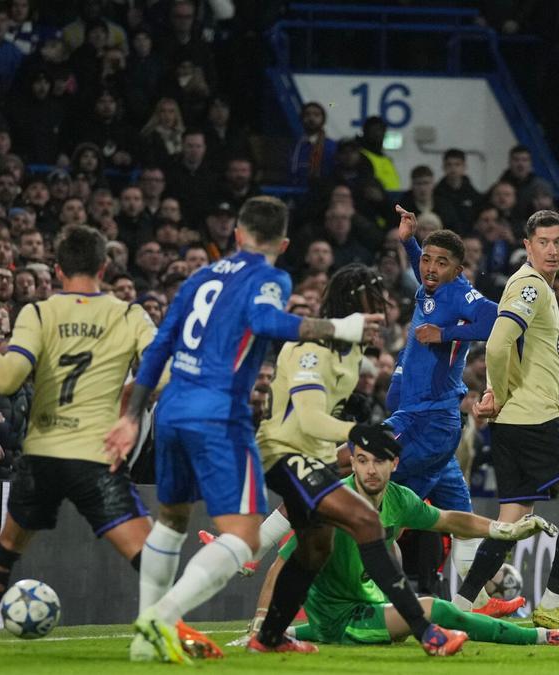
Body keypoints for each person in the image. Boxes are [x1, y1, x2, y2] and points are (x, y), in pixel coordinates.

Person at [102, 197, 383, 664]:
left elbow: (157, 350)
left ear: (236, 236)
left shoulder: (198, 278)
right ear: (284, 243)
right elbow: (266, 322)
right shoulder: (269, 278)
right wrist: (340, 325)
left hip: (171, 410)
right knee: (243, 536)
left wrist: (131, 415)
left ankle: (143, 641)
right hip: (218, 416)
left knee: (170, 524)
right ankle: (163, 617)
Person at [0, 227, 158, 654]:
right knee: (151, 556)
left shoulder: (39, 314)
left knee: (9, 546)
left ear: (58, 269)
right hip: (95, 457)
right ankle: (164, 631)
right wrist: (130, 407)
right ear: (104, 267)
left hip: (42, 455)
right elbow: (165, 375)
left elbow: (7, 380)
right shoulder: (129, 316)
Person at [249, 264, 468, 657]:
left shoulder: (349, 354)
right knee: (366, 521)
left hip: (309, 456)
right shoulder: (313, 349)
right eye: (371, 309)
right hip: (281, 452)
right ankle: (426, 633)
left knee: (316, 547)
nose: (380, 318)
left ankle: (268, 635)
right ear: (348, 310)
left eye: (381, 308)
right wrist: (358, 433)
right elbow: (310, 418)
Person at [236, 446, 559, 648]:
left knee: (395, 555)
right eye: (363, 460)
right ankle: (544, 637)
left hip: (363, 600)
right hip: (341, 615)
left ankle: (288, 632)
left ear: (395, 463)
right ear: (353, 463)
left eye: (379, 461)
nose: (371, 470)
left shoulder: (400, 499)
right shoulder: (333, 502)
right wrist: (262, 619)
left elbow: (449, 519)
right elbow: (284, 563)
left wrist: (503, 529)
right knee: (436, 609)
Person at [460, 211, 559, 637]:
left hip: (511, 422)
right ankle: (553, 604)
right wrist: (499, 394)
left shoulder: (530, 284)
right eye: (544, 241)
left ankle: (461, 604)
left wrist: (492, 394)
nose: (553, 249)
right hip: (534, 417)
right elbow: (499, 342)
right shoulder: (529, 285)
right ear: (527, 245)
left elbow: (504, 345)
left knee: (512, 518)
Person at [383, 206, 508, 612]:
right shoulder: (431, 286)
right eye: (426, 261)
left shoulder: (459, 293)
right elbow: (427, 270)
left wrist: (445, 334)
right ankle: (481, 601)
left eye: (442, 263)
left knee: (384, 506)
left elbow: (495, 321)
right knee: (460, 519)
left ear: (459, 269)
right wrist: (408, 240)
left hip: (426, 421)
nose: (431, 269)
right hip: (423, 417)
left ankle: (364, 584)